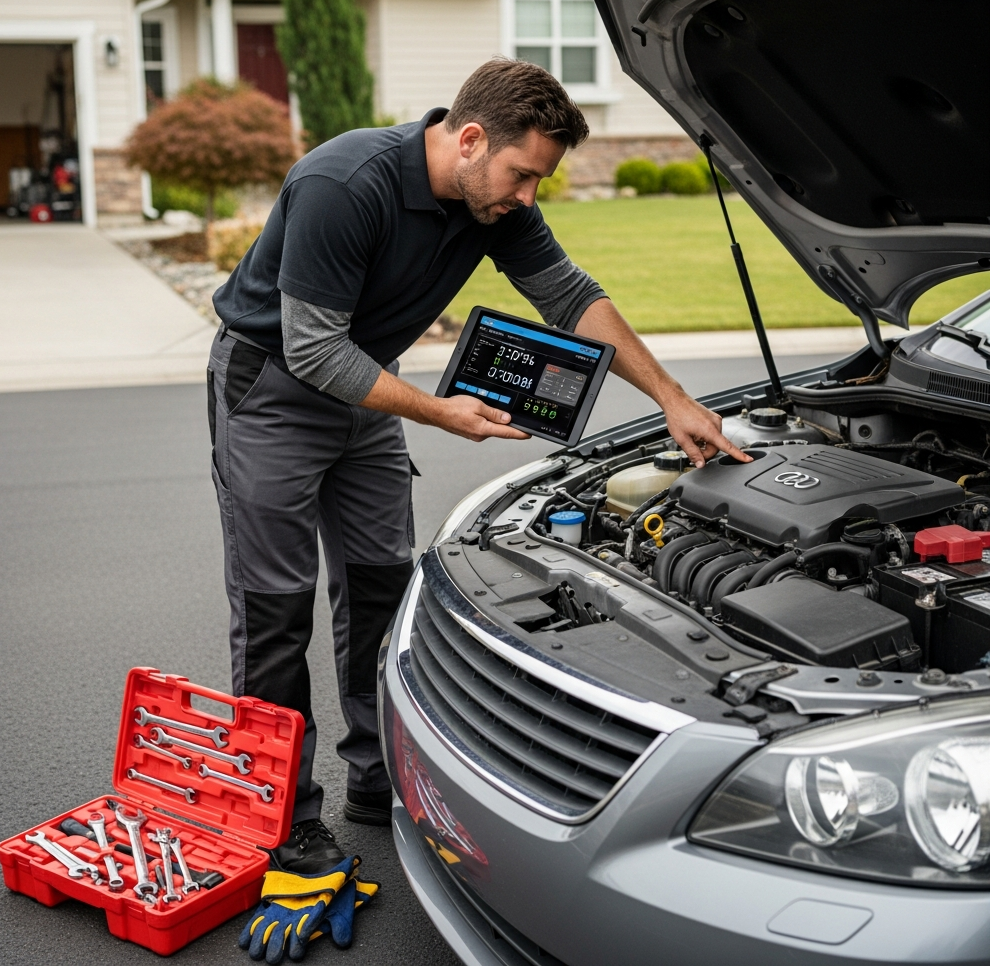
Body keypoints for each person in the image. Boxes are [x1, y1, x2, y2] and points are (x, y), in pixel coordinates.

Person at [208, 58, 748, 875]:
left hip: (367, 386)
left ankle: (376, 772)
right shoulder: (342, 183)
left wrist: (673, 397)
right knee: (275, 606)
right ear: (469, 139)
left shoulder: (495, 203)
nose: (527, 196)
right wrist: (440, 412)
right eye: (521, 174)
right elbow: (313, 348)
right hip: (273, 387)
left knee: (381, 584)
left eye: (539, 181)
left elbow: (570, 296)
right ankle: (280, 817)